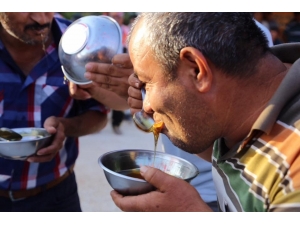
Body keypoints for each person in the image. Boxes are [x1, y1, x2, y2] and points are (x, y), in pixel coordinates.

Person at [108, 12, 300, 212]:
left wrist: (190, 211)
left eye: (147, 83)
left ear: (197, 70)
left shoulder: (293, 168)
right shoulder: (239, 111)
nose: (145, 105)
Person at [0, 12, 109, 212]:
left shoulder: (79, 42)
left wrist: (66, 127)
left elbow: (99, 113)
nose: (41, 19)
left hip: (56, 197)